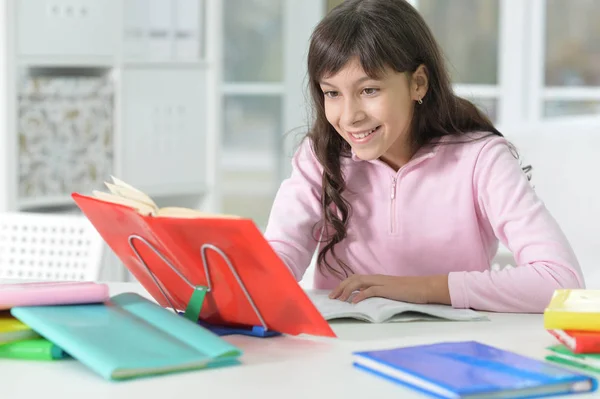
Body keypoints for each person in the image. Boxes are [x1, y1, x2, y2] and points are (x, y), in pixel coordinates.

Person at [263, 0, 584, 313]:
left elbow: (561, 280)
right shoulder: (320, 156)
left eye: (369, 90)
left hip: (452, 349)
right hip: (340, 347)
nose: (349, 117)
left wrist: (420, 288)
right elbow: (279, 255)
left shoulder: (482, 160)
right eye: (332, 93)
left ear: (417, 83)